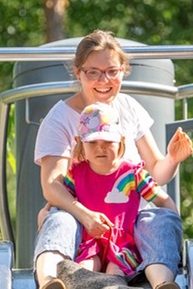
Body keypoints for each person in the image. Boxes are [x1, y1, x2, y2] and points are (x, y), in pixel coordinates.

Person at [33, 30, 193, 289]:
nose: (104, 81)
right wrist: (84, 215)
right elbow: (53, 186)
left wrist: (173, 158)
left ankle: (162, 288)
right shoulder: (60, 120)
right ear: (78, 73)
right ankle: (50, 285)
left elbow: (156, 173)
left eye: (112, 71)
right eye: (93, 72)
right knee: (59, 218)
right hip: (85, 219)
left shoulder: (128, 107)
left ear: (123, 71)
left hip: (129, 220)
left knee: (159, 218)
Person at [65, 103, 179, 276]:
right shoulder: (76, 173)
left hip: (123, 245)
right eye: (93, 141)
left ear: (121, 142)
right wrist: (45, 211)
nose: (100, 147)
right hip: (89, 242)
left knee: (116, 269)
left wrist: (174, 233)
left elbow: (162, 200)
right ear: (80, 143)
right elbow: (60, 199)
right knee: (86, 266)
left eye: (108, 141)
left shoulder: (133, 174)